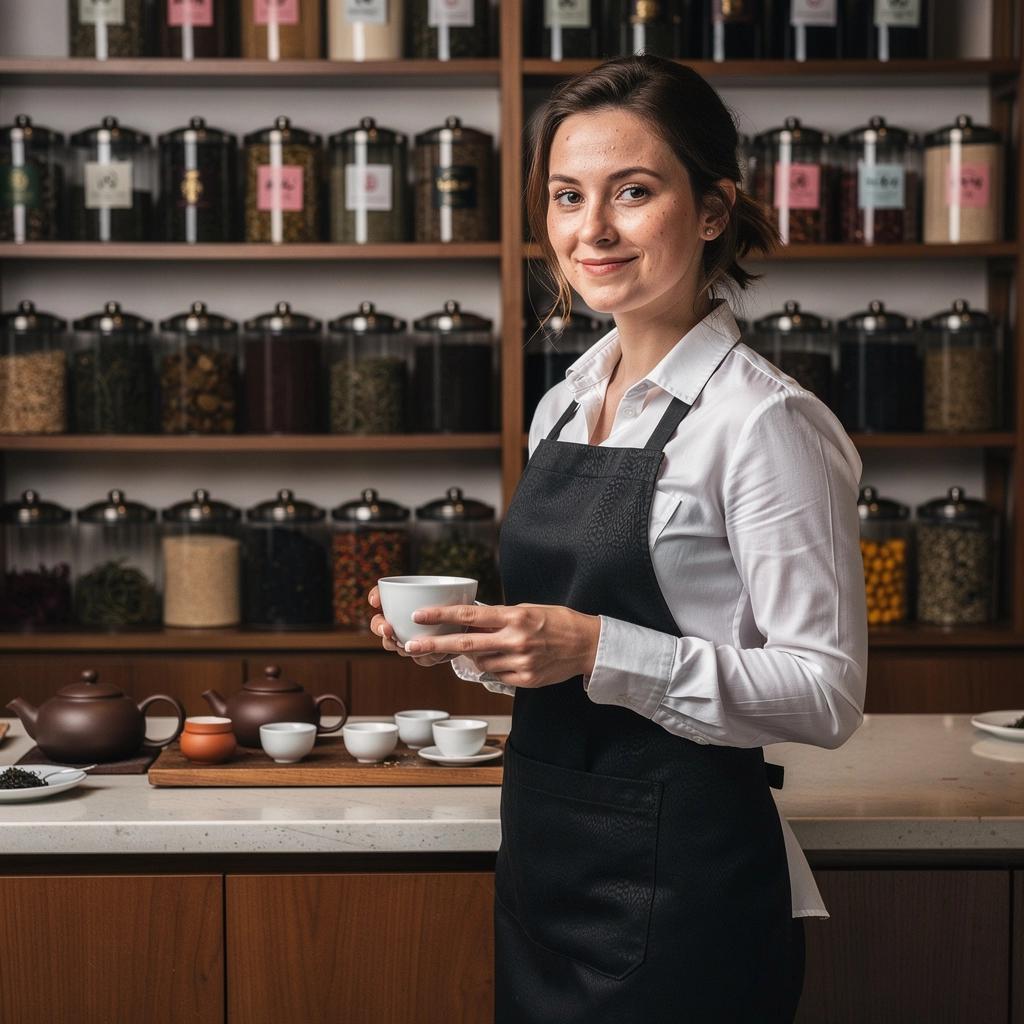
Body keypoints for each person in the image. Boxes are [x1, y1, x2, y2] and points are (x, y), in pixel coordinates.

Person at [368, 54, 867, 1024]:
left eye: (631, 192)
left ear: (713, 209)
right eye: (566, 196)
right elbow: (559, 652)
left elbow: (825, 690)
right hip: (546, 866)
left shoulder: (762, 423)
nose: (589, 231)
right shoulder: (561, 401)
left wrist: (596, 645)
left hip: (686, 889)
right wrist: (474, 644)